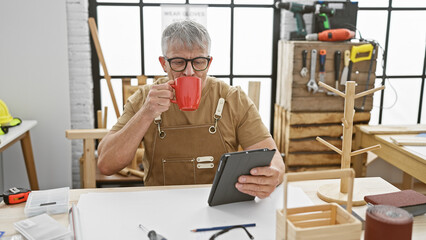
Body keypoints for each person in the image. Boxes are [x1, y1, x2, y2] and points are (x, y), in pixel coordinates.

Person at [97, 19, 285, 198]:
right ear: (164, 63)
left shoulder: (233, 99)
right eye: (178, 62)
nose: (189, 72)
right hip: (158, 206)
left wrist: (272, 175)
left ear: (209, 62)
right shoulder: (145, 99)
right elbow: (106, 164)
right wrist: (147, 113)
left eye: (198, 62)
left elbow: (273, 159)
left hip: (219, 207)